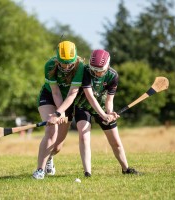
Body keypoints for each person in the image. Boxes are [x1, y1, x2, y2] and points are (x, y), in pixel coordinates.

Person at [32, 41, 114, 180]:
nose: (66, 66)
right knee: (51, 131)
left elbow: (72, 94)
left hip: (68, 100)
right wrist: (59, 112)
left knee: (57, 146)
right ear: (57, 58)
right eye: (63, 62)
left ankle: (50, 157)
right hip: (49, 96)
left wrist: (61, 112)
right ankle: (40, 170)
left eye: (69, 62)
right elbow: (55, 92)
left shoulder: (80, 67)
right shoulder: (50, 65)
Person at [74, 49, 140, 177]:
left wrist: (110, 113)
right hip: (83, 106)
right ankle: (87, 172)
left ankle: (126, 169)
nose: (96, 73)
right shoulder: (86, 71)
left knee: (115, 141)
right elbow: (90, 97)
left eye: (100, 71)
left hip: (103, 107)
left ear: (108, 65)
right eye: (94, 70)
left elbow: (109, 100)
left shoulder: (113, 76)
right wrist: (103, 115)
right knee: (84, 135)